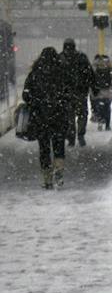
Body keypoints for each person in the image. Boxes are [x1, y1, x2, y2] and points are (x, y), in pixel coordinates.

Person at [21, 47, 69, 189]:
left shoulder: (35, 73)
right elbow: (68, 94)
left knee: (44, 148)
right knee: (59, 146)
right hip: (58, 117)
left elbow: (26, 95)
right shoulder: (62, 73)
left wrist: (37, 102)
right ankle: (59, 173)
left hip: (40, 118)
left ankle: (47, 179)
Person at [59, 38, 95, 148]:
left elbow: (56, 76)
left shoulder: (60, 58)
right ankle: (80, 134)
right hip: (80, 92)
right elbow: (90, 73)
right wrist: (93, 86)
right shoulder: (82, 57)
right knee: (82, 115)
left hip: (66, 93)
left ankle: (71, 137)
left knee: (69, 116)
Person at [90, 53, 112, 131]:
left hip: (98, 90)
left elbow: (90, 76)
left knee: (99, 106)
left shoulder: (95, 65)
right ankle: (107, 125)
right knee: (107, 107)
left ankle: (100, 122)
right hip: (108, 90)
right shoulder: (110, 66)